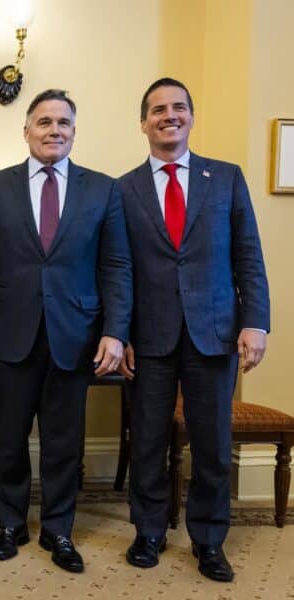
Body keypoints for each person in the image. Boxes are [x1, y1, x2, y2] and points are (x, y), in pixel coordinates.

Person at [116, 77, 270, 583]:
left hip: (215, 332)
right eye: (158, 109)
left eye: (178, 107)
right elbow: (118, 268)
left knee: (211, 443)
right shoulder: (124, 188)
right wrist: (122, 333)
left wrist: (255, 323)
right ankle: (150, 531)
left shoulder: (225, 178)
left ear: (191, 116)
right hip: (151, 336)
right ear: (143, 123)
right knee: (148, 439)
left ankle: (208, 539)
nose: (169, 116)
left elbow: (248, 255)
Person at [0, 89, 132, 573]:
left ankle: (59, 529)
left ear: (74, 132)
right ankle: (10, 524)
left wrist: (115, 331)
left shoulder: (103, 189)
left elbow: (116, 265)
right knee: (10, 436)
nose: (53, 130)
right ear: (26, 132)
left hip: (76, 333)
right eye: (44, 122)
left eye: (63, 123)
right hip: (10, 332)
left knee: (65, 441)